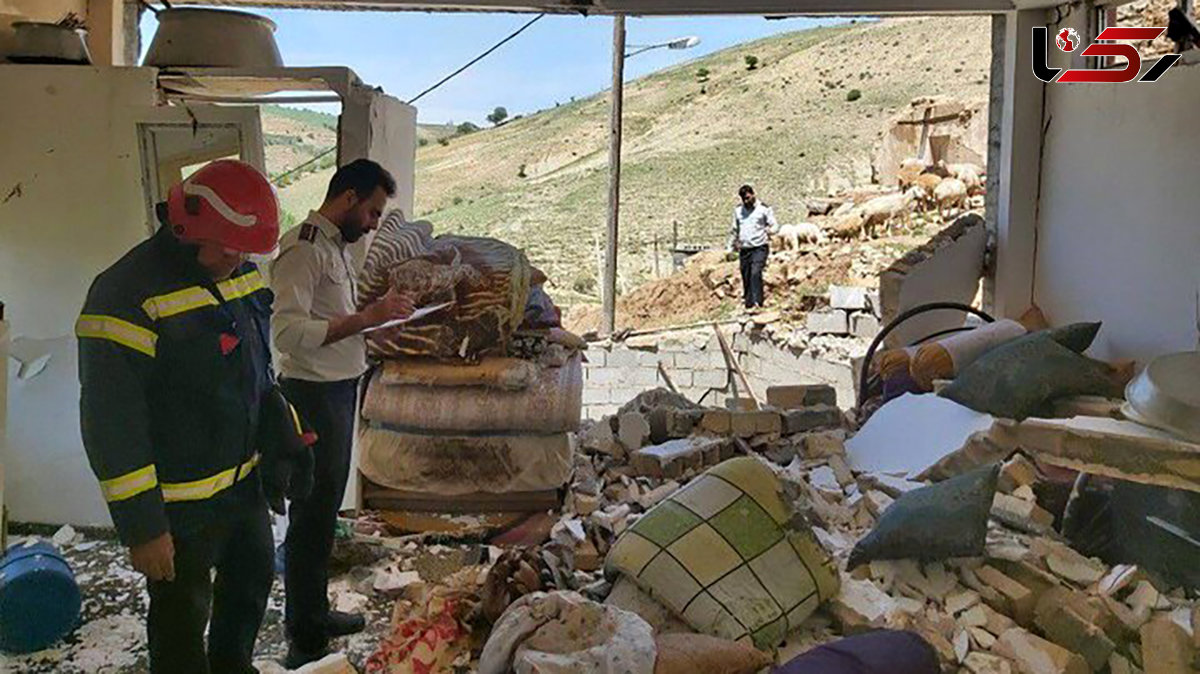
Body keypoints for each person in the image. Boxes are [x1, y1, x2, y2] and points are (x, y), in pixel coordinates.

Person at [77, 160, 283, 674]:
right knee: (180, 624)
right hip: (180, 508)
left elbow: (257, 370)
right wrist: (143, 526)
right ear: (187, 228)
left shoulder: (237, 271)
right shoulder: (124, 295)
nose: (237, 262)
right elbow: (110, 421)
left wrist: (284, 436)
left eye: (246, 252)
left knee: (250, 589)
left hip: (243, 490)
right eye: (229, 249)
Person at [270, 158, 415, 667]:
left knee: (325, 512)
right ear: (349, 198)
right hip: (310, 396)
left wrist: (374, 329)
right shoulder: (303, 248)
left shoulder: (334, 247)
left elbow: (334, 323)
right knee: (311, 516)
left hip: (337, 390)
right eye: (373, 211)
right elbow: (287, 333)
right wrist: (366, 318)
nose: (375, 223)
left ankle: (314, 612)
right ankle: (303, 637)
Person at [728, 184, 778, 310]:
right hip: (745, 249)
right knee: (746, 274)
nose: (746, 201)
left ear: (753, 194)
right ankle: (749, 304)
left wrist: (770, 231)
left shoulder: (764, 209)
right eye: (744, 199)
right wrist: (730, 247)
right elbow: (735, 230)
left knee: (756, 272)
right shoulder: (738, 211)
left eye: (748, 198)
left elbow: (774, 225)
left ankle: (758, 302)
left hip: (760, 247)